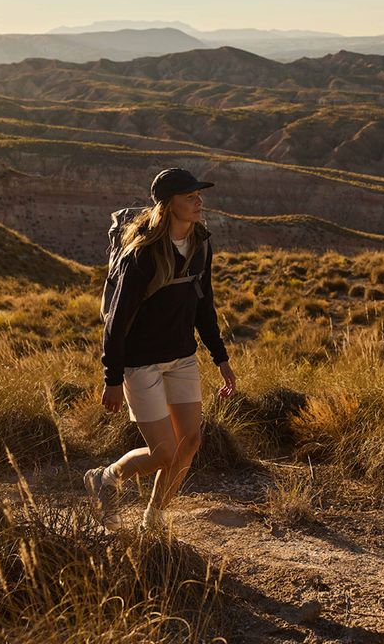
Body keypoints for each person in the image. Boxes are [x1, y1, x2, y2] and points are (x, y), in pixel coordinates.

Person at [85, 168, 238, 530]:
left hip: (182, 357)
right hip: (141, 364)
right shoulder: (143, 255)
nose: (199, 202)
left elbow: (204, 306)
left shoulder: (201, 244)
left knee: (190, 442)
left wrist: (221, 359)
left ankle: (153, 518)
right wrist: (112, 378)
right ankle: (105, 477)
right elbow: (117, 322)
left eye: (198, 195)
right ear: (169, 205)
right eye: (190, 197)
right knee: (163, 452)